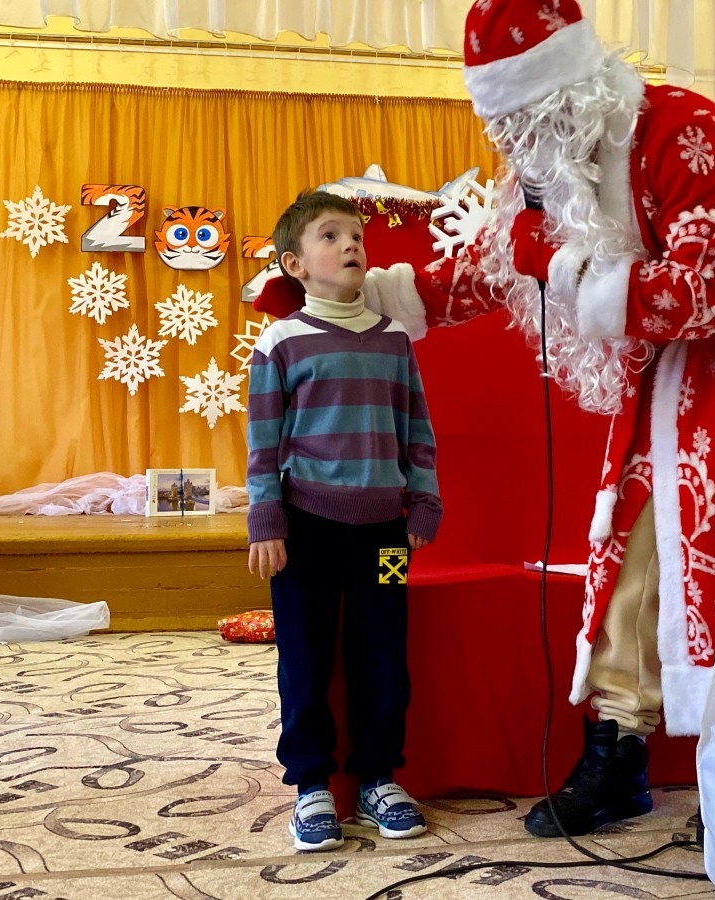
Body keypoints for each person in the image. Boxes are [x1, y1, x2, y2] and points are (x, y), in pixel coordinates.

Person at [347, 0, 715, 837]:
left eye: (525, 126)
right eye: (502, 131)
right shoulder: (558, 164)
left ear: (572, 96)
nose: (513, 152)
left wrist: (560, 262)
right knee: (633, 530)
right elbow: (490, 266)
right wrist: (363, 298)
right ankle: (620, 747)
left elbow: (705, 296)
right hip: (665, 353)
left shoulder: (689, 131)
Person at [246, 190, 442, 851]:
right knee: (304, 658)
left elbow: (416, 429)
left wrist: (422, 500)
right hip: (305, 530)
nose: (352, 245)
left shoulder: (393, 341)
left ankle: (378, 777)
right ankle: (309, 785)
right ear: (295, 264)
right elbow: (263, 441)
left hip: (385, 535)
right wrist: (265, 518)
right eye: (330, 236)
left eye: (356, 234)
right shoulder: (280, 342)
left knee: (383, 653)